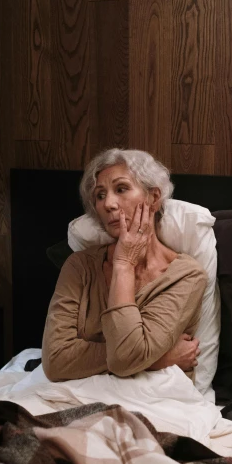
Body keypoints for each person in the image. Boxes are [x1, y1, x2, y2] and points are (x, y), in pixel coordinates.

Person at [42, 149, 207, 381]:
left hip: (157, 401)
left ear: (153, 197)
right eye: (100, 195)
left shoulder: (186, 276)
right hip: (82, 396)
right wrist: (158, 359)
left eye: (121, 189)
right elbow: (56, 362)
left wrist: (123, 264)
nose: (108, 203)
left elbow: (125, 358)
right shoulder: (79, 267)